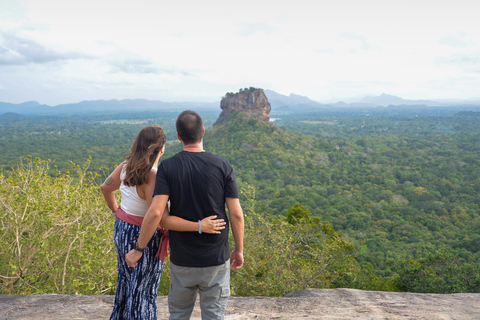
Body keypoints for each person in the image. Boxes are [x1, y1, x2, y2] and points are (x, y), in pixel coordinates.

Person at [126, 110, 244, 320]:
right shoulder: (222, 165)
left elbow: (158, 215)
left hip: (182, 259)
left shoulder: (168, 167)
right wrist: (239, 249)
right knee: (214, 315)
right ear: (203, 132)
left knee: (179, 314)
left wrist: (138, 248)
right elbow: (236, 215)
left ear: (178, 136)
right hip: (215, 258)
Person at [102, 125, 225, 320]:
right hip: (143, 235)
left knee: (126, 281)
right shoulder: (152, 175)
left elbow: (105, 188)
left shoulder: (125, 166)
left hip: (122, 228)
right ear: (162, 148)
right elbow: (155, 215)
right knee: (144, 287)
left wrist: (116, 211)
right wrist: (199, 226)